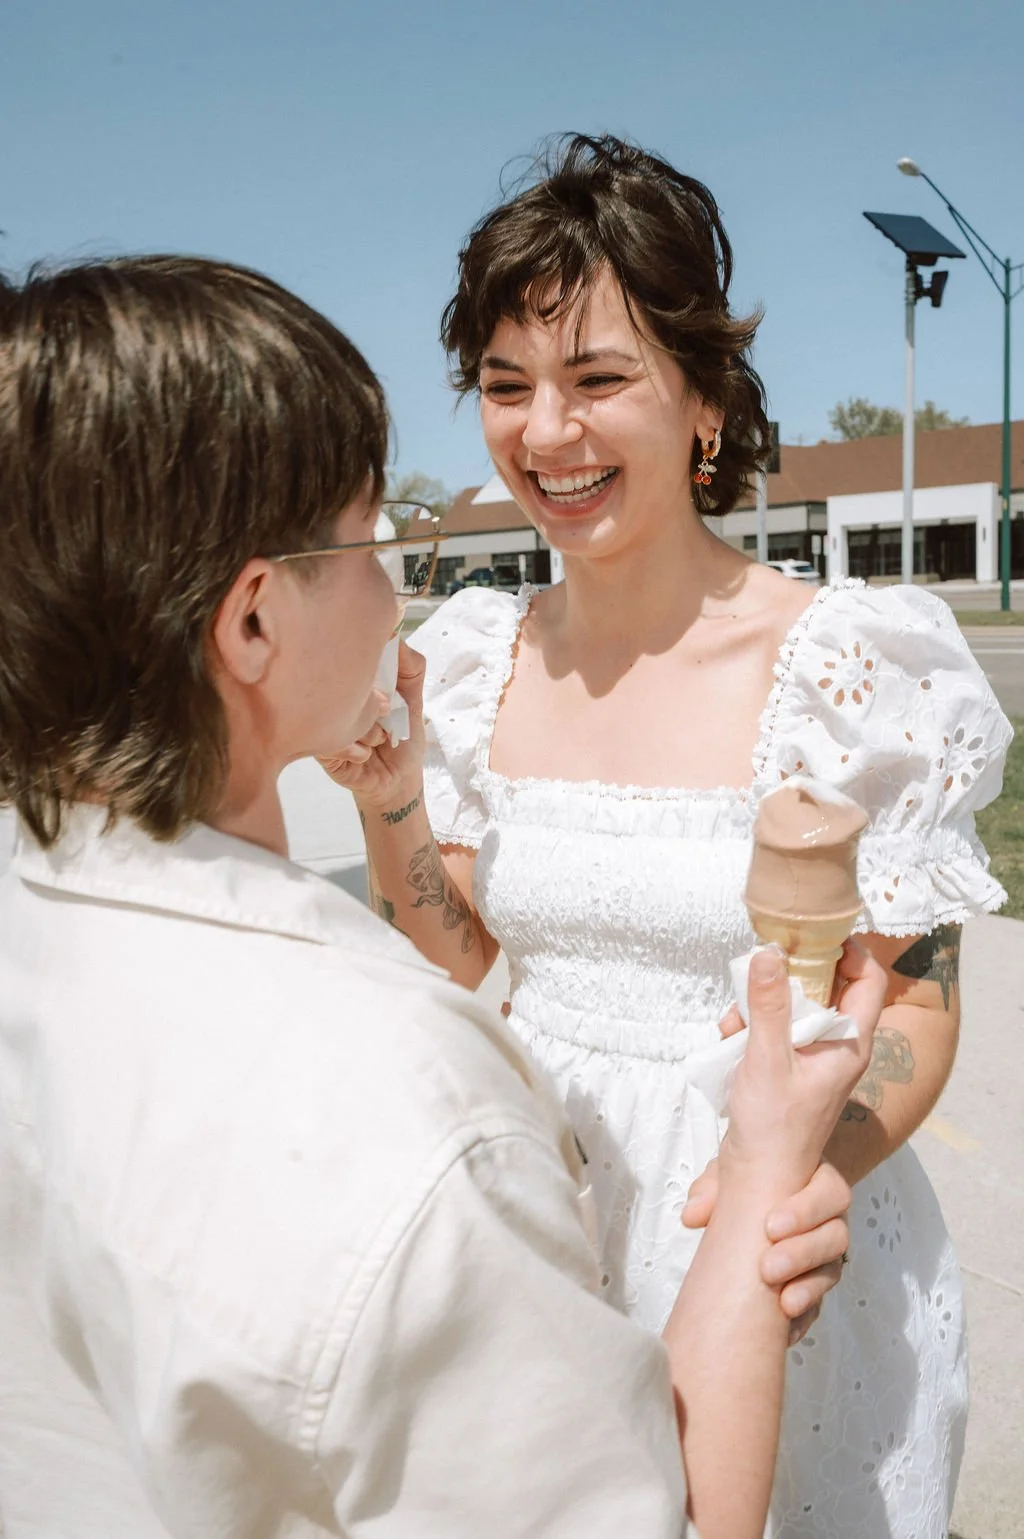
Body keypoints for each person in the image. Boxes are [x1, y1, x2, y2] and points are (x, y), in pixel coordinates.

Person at [0, 255, 884, 1539]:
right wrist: (756, 1179)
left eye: (596, 377)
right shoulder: (406, 1117)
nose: (396, 588)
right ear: (251, 625)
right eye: (369, 539)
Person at [335, 136, 1015, 1538]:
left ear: (704, 398)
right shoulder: (473, 658)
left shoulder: (853, 666)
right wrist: (388, 798)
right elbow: (462, 950)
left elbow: (915, 1005)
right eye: (506, 386)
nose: (546, 433)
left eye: (596, 379)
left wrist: (801, 1183)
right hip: (551, 1239)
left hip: (781, 1251)